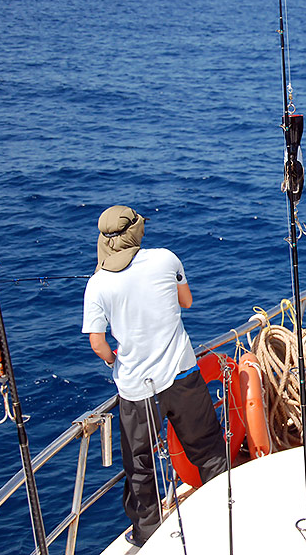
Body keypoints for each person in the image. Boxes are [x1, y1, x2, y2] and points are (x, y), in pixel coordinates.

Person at [82, 205, 226, 547]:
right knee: (207, 450)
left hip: (136, 390)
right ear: (137, 232)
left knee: (140, 467)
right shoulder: (165, 259)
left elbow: (98, 343)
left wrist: (114, 360)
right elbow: (186, 301)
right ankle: (224, 510)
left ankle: (146, 534)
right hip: (181, 374)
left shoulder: (97, 284)